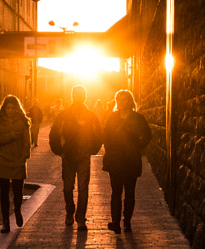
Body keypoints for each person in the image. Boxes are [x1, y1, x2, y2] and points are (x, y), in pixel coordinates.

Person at [48, 84, 102, 229]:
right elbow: (54, 135)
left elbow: (98, 135)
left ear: (84, 96)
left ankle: (81, 218)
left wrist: (91, 150)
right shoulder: (64, 115)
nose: (78, 98)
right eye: (76, 95)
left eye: (81, 95)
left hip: (83, 156)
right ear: (73, 97)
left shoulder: (90, 116)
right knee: (67, 188)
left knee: (83, 188)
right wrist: (60, 151)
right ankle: (70, 211)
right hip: (68, 157)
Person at [100, 89, 153, 233]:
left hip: (130, 159)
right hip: (116, 160)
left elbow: (147, 135)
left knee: (130, 192)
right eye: (119, 100)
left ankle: (127, 221)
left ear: (130, 101)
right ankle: (116, 222)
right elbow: (106, 135)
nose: (122, 102)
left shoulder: (138, 118)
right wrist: (110, 149)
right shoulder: (112, 118)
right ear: (117, 102)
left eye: (125, 99)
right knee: (116, 192)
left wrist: (138, 147)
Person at [0, 95, 33, 232]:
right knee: (3, 193)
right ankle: (5, 222)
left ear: (16, 108)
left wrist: (24, 158)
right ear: (4, 108)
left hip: (18, 160)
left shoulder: (23, 122)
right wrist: (10, 136)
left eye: (12, 108)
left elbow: (27, 142)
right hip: (3, 159)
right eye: (7, 108)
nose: (9, 110)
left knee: (17, 192)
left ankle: (18, 210)